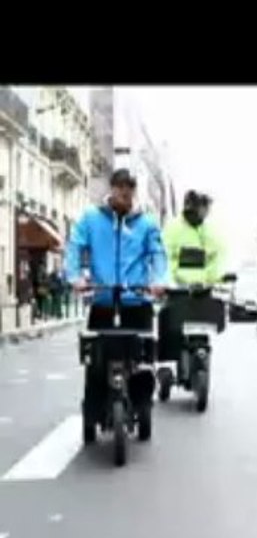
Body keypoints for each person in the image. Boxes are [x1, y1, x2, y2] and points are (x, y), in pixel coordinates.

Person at [65, 169, 168, 418]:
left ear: (134, 191)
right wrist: (75, 277)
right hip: (104, 300)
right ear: (111, 188)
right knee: (96, 363)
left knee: (143, 359)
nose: (125, 192)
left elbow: (157, 254)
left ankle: (142, 406)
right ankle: (93, 411)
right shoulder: (91, 218)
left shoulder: (145, 223)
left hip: (137, 301)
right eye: (120, 187)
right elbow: (75, 246)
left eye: (129, 188)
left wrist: (159, 280)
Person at [158, 191, 224, 364]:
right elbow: (164, 257)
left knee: (209, 319)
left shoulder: (210, 231)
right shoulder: (173, 229)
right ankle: (166, 366)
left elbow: (218, 257)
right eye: (204, 208)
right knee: (168, 325)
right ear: (194, 207)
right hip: (178, 291)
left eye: (207, 208)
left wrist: (213, 279)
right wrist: (172, 279)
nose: (206, 212)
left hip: (202, 290)